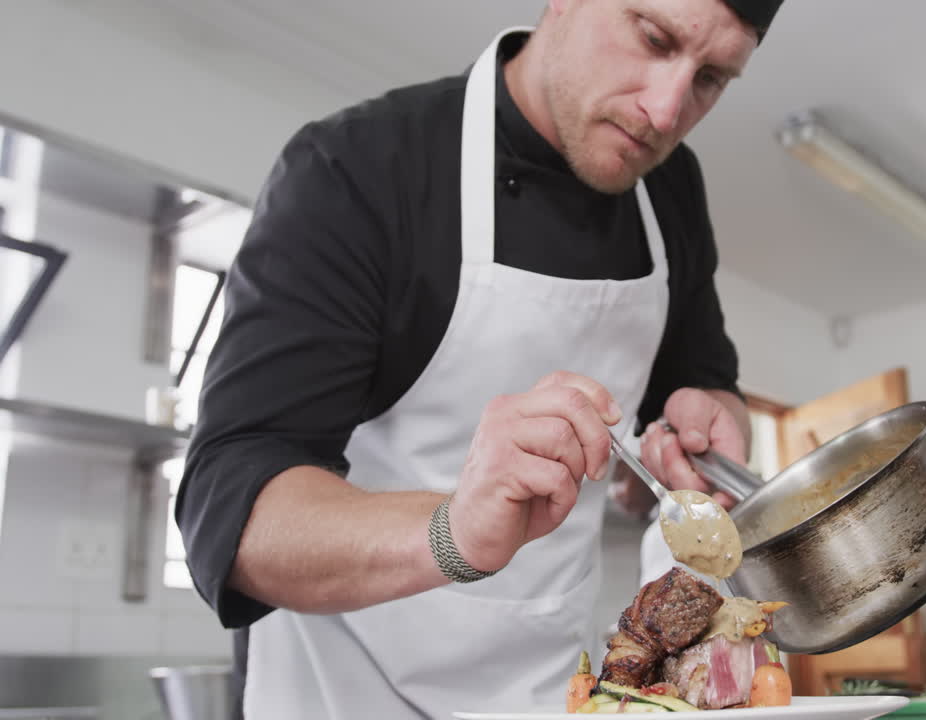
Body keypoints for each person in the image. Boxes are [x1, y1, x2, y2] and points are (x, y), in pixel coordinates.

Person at [176, 1, 784, 718]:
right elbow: (234, 512)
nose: (666, 111)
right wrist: (452, 531)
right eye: (653, 38)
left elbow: (701, 386)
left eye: (711, 78)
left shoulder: (671, 188)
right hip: (344, 693)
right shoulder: (358, 167)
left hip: (547, 692)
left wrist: (711, 422)